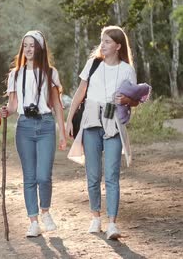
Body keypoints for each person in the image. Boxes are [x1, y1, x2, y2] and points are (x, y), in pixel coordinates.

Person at [66, 26, 139, 240]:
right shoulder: (93, 64)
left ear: (118, 46)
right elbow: (80, 92)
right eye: (101, 41)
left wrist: (126, 100)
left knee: (112, 174)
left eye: (107, 41)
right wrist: (69, 119)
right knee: (93, 173)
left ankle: (112, 224)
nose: (102, 45)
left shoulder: (127, 69)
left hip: (113, 123)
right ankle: (95, 217)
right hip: (90, 121)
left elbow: (134, 99)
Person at [0, 30, 67, 237]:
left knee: (43, 176)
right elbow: (13, 105)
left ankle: (45, 211)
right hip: (24, 127)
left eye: (32, 45)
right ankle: (33, 221)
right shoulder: (15, 74)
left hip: (46, 125)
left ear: (40, 48)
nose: (28, 49)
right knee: (29, 176)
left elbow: (56, 103)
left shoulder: (49, 72)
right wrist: (6, 111)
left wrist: (62, 132)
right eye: (25, 45)